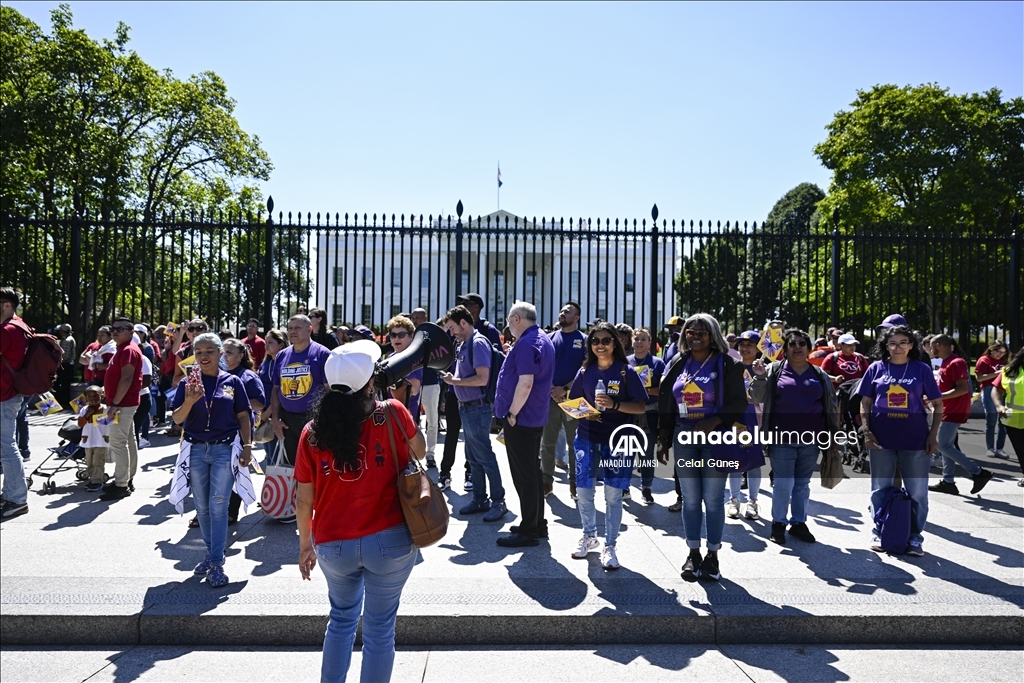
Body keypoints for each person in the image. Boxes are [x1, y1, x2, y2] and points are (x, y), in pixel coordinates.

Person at [295, 340, 422, 683]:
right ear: (370, 382)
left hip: (333, 542)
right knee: (380, 629)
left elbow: (303, 500)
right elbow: (420, 450)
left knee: (340, 620)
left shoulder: (311, 433)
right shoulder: (393, 412)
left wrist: (305, 545)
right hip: (390, 538)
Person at [658, 313, 746, 582]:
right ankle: (693, 553)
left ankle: (713, 556)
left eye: (701, 333)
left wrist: (715, 421)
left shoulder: (728, 363)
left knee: (714, 499)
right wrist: (664, 437)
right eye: (690, 332)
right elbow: (667, 400)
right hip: (684, 438)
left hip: (716, 437)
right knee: (691, 499)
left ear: (713, 335)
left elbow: (739, 402)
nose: (695, 337)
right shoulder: (678, 361)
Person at [169, 333, 253, 588]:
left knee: (219, 507)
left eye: (210, 351)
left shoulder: (233, 382)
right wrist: (191, 400)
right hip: (195, 450)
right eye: (199, 352)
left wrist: (248, 446)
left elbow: (243, 416)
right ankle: (211, 554)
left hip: (223, 450)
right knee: (202, 508)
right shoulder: (187, 384)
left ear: (220, 354)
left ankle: (216, 562)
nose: (204, 356)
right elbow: (177, 419)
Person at [566, 322, 647, 568]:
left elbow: (641, 406)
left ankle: (610, 545)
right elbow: (573, 403)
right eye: (595, 341)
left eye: (606, 340)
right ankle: (589, 536)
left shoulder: (626, 372)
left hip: (618, 441)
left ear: (615, 343)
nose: (600, 345)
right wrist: (585, 413)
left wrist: (614, 405)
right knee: (584, 492)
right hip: (587, 437)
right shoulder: (584, 371)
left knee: (613, 496)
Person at [857, 325, 942, 556]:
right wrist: (866, 431)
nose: (898, 347)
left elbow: (937, 404)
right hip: (881, 439)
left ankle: (915, 537)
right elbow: (865, 402)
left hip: (915, 439)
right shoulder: (875, 368)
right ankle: (879, 530)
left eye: (903, 342)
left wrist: (933, 434)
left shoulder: (921, 369)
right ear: (886, 346)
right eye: (893, 343)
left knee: (917, 492)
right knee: (879, 489)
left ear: (912, 345)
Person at [750, 328, 840, 546]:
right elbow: (756, 396)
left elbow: (830, 405)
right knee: (783, 483)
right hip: (782, 439)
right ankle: (778, 523)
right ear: (785, 349)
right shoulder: (773, 370)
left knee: (802, 483)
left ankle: (798, 522)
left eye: (802, 343)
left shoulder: (819, 375)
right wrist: (760, 377)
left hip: (811, 440)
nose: (797, 347)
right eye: (792, 344)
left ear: (809, 349)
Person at [494, 301, 556, 548]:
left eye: (509, 321)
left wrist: (511, 413)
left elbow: (526, 383)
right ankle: (536, 523)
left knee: (525, 476)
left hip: (521, 418)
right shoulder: (541, 338)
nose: (508, 326)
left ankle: (530, 530)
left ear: (517, 319)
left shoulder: (528, 343)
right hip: (533, 416)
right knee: (532, 471)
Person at [442, 305, 507, 524]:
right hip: (468, 407)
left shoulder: (477, 343)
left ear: (463, 323)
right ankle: (480, 499)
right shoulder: (464, 344)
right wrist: (455, 379)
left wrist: (454, 381)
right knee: (473, 456)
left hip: (476, 408)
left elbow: (482, 379)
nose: (451, 333)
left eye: (452, 328)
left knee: (484, 456)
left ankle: (498, 501)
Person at [928, 334, 994, 496]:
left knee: (942, 444)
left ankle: (978, 472)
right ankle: (948, 481)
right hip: (948, 408)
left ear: (939, 345)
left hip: (954, 409)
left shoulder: (955, 362)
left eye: (931, 346)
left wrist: (937, 397)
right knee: (947, 445)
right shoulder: (946, 362)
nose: (930, 350)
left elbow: (963, 388)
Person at [270, 315, 332, 467]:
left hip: (313, 420)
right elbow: (275, 389)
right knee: (292, 468)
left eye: (297, 328)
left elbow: (329, 391)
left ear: (309, 329)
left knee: (315, 466)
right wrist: (276, 419)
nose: (292, 332)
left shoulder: (322, 354)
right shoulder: (282, 355)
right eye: (290, 328)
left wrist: (325, 420)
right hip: (287, 422)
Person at [540, 302, 587, 498]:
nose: (562, 313)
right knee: (547, 443)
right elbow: (542, 365)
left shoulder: (584, 340)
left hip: (574, 400)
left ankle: (575, 483)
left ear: (576, 318)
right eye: (562, 310)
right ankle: (546, 482)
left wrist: (565, 388)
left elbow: (585, 369)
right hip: (550, 399)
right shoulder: (549, 338)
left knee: (575, 444)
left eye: (567, 312)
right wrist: (552, 389)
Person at [100, 317, 144, 501]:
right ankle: (126, 478)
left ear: (131, 332)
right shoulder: (123, 349)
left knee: (118, 443)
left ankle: (121, 484)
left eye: (121, 328)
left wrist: (114, 404)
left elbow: (126, 378)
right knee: (128, 440)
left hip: (122, 404)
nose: (115, 331)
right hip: (123, 402)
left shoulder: (128, 350)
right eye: (113, 328)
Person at [727, 330, 765, 520]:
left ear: (759, 348)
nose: (745, 348)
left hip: (754, 420)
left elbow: (766, 397)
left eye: (750, 344)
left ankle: (753, 501)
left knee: (754, 462)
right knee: (735, 460)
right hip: (736, 419)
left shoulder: (765, 369)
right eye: (742, 344)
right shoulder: (732, 367)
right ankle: (734, 499)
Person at [627, 327, 665, 505]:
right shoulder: (625, 362)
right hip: (627, 414)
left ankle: (647, 488)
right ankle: (624, 487)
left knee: (647, 454)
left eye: (643, 339)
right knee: (626, 452)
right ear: (631, 342)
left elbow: (664, 390)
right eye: (637, 339)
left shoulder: (657, 364)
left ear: (650, 343)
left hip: (650, 413)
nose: (639, 343)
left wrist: (646, 389)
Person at [0, 287, 29, 518]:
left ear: (7, 304)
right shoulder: (20, 325)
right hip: (10, 393)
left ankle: (17, 498)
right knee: (7, 446)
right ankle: (10, 494)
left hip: (4, 394)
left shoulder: (7, 329)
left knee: (6, 447)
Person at [410, 308, 441, 467]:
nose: (414, 320)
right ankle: (413, 453)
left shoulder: (433, 336)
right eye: (413, 317)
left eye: (418, 318)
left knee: (432, 420)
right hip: (413, 381)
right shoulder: (410, 336)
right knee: (411, 420)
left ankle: (430, 453)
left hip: (429, 381)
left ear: (425, 318)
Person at [990, 346, 1024, 486]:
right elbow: (996, 390)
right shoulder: (1008, 370)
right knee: (1021, 450)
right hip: (1013, 419)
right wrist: (999, 405)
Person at [385, 315, 422, 426]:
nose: (396, 338)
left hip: (407, 414)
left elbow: (414, 389)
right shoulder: (389, 358)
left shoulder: (415, 358)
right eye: (393, 335)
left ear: (411, 336)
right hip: (390, 413)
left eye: (401, 335)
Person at [257, 329, 287, 465]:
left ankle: (278, 485)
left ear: (281, 344)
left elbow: (281, 390)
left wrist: (269, 411)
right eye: (266, 342)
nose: (266, 345)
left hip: (275, 413)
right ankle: (271, 484)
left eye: (271, 342)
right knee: (269, 454)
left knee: (276, 455)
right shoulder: (265, 363)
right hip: (263, 415)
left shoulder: (282, 363)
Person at [976, 341, 1010, 459]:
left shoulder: (1005, 361)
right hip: (989, 389)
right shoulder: (984, 360)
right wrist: (998, 373)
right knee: (991, 419)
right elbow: (980, 378)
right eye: (999, 352)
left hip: (1004, 390)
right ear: (992, 350)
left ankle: (1000, 448)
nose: (1000, 355)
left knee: (1003, 421)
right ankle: (990, 448)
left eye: (1003, 353)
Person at [77, 386, 110, 492]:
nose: (93, 398)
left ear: (102, 395)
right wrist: (88, 414)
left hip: (101, 440)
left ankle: (97, 481)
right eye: (89, 396)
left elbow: (112, 422)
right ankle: (93, 478)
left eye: (96, 395)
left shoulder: (106, 409)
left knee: (98, 461)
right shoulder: (84, 410)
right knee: (89, 461)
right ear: (86, 398)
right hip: (88, 440)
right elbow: (80, 424)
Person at [133, 336, 153, 449]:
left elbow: (146, 382)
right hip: (126, 398)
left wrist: (127, 390)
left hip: (141, 398)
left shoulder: (143, 360)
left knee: (134, 429)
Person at [56, 323, 76, 407]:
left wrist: (59, 362)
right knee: (65, 383)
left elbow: (65, 355)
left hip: (65, 364)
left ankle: (62, 401)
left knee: (62, 383)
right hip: (67, 364)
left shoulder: (66, 340)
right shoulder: (69, 338)